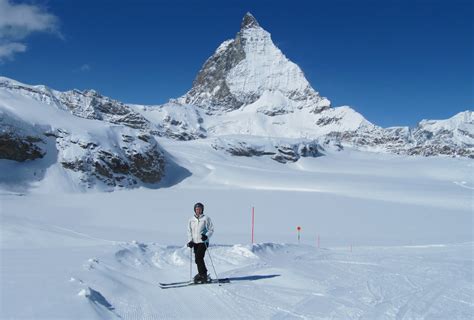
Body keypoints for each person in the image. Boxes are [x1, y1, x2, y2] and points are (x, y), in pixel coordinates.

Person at [187, 202, 214, 283]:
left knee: (199, 257)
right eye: (197, 209)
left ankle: (203, 275)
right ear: (194, 210)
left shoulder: (206, 218)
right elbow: (189, 231)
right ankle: (202, 273)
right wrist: (190, 241)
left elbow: (211, 229)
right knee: (197, 259)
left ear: (202, 209)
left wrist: (206, 236)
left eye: (200, 209)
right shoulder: (191, 219)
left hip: (203, 242)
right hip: (195, 242)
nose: (198, 210)